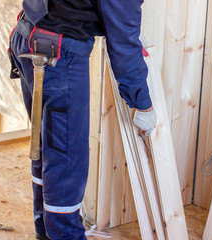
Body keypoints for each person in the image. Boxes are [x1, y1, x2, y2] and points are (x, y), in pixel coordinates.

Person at [9, 0, 156, 239]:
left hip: (27, 34)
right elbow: (123, 46)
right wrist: (143, 104)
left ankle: (46, 233)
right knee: (66, 163)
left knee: (46, 151)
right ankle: (65, 235)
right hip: (57, 54)